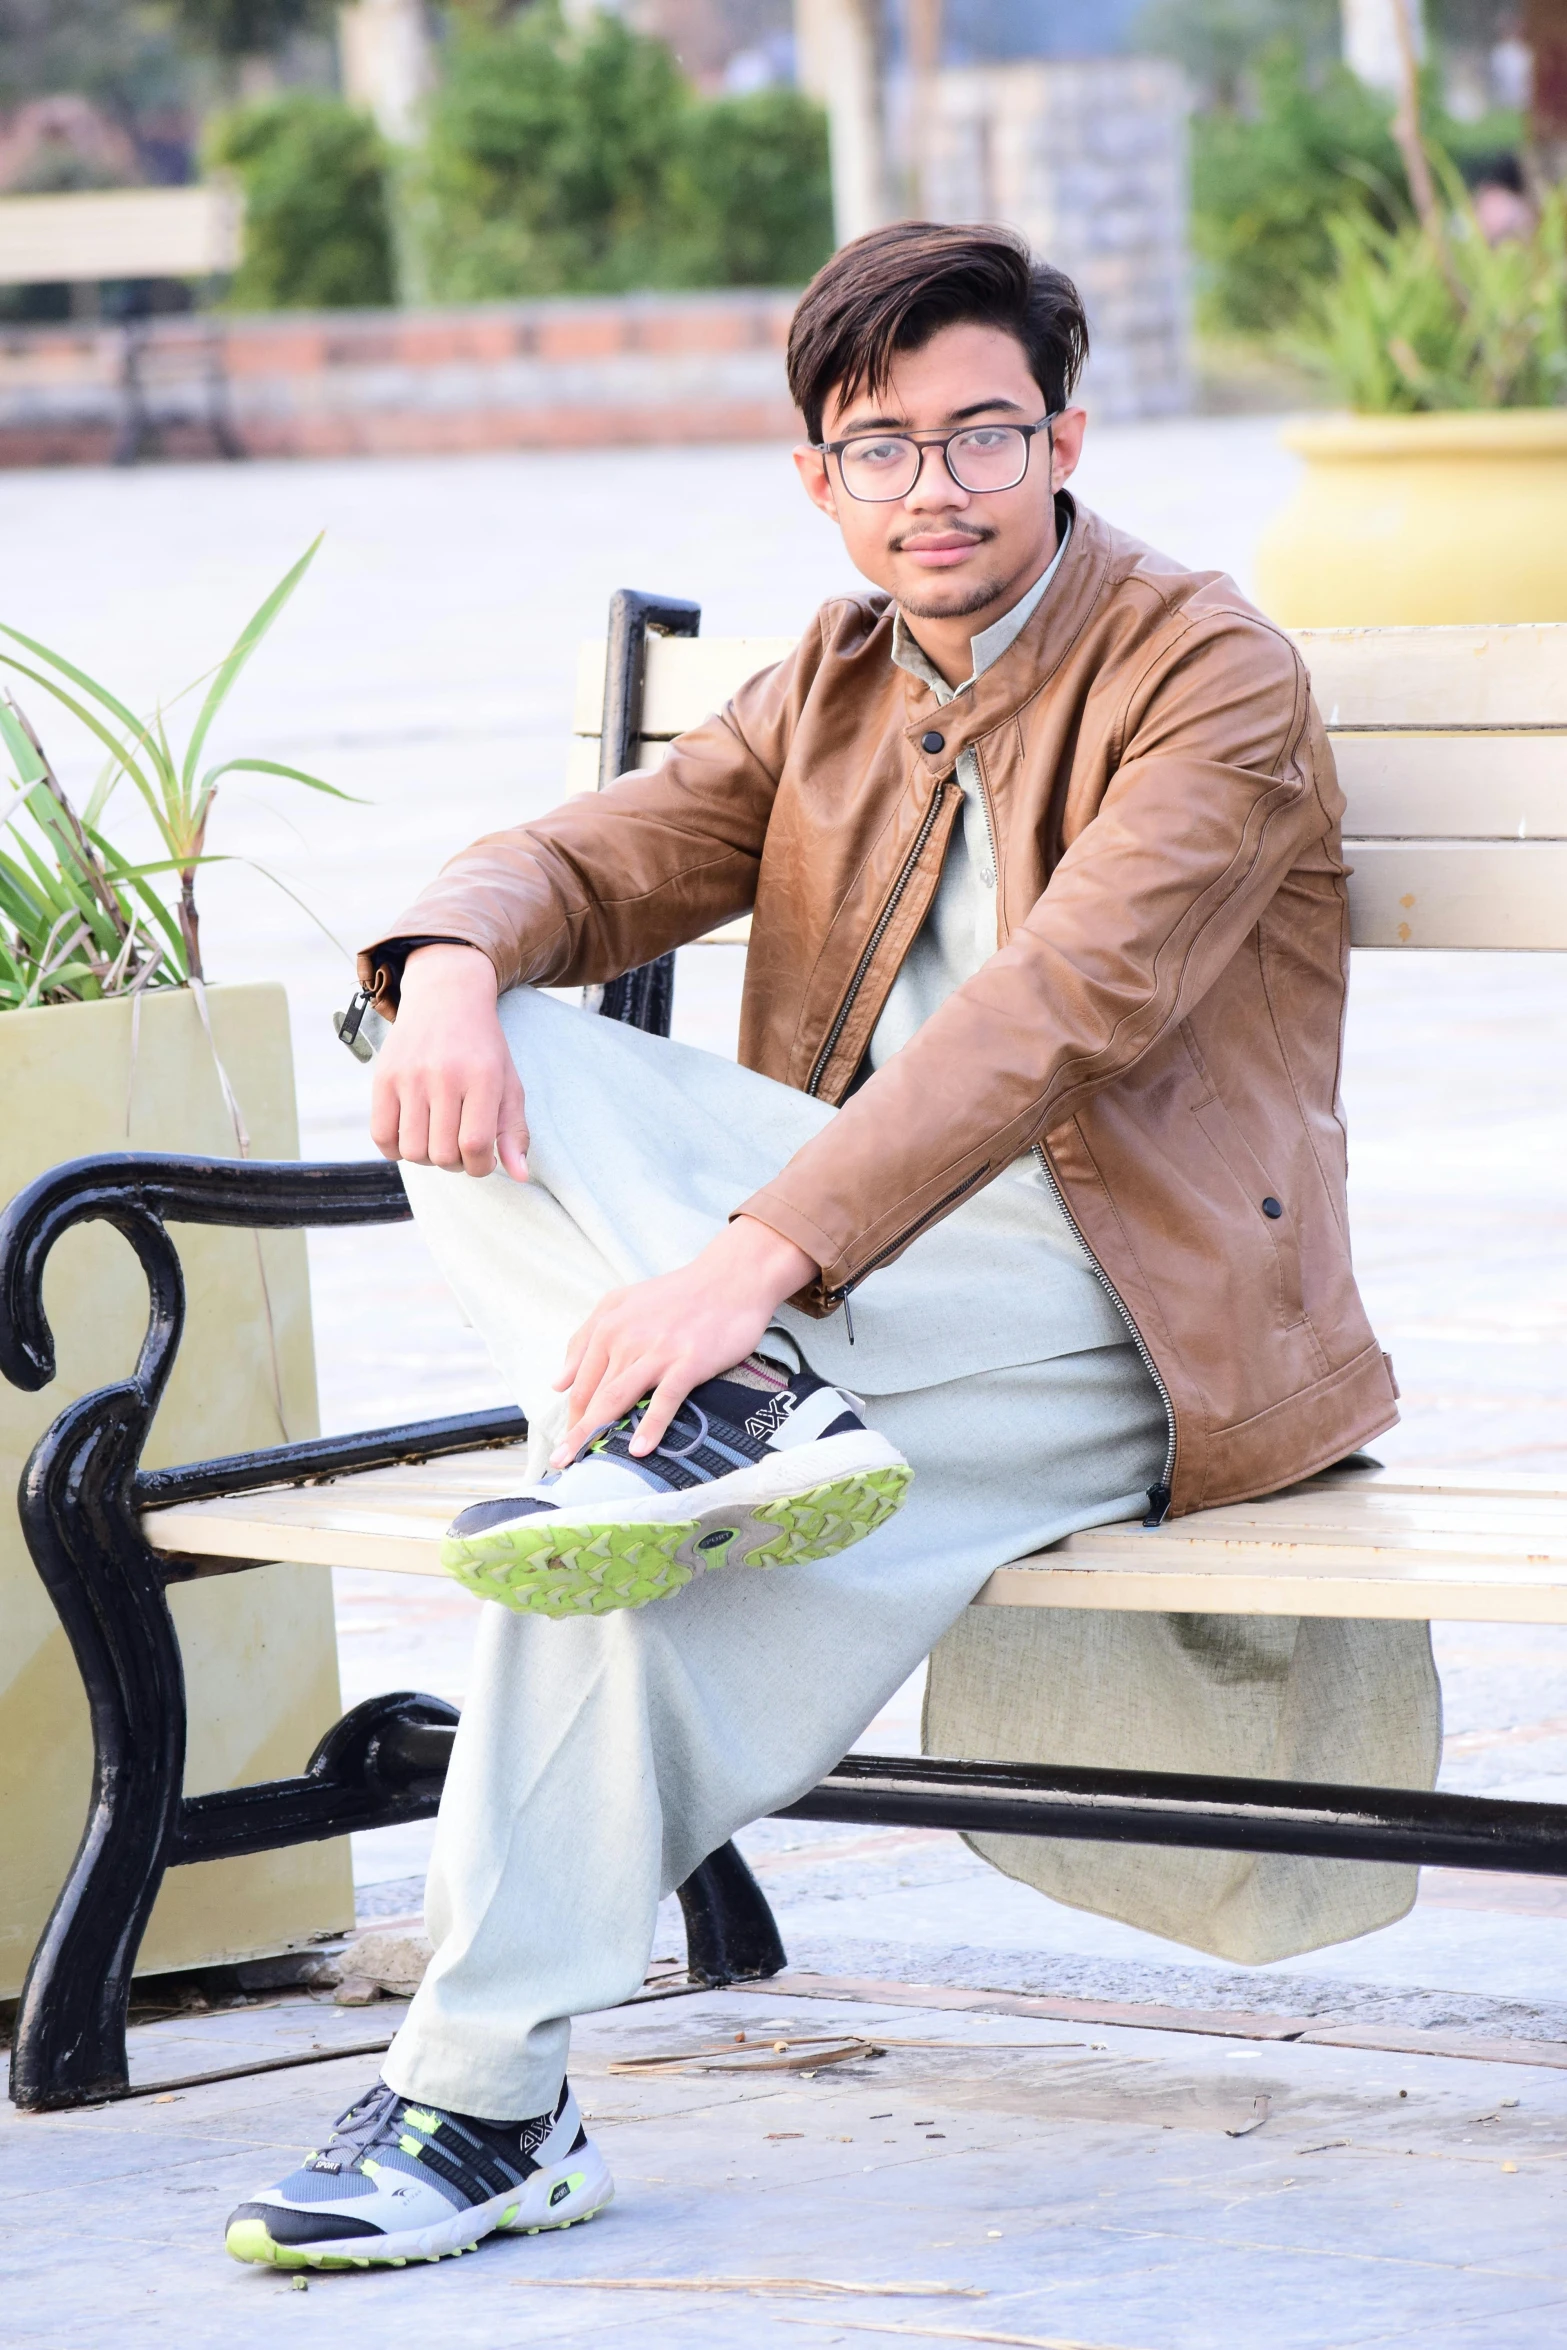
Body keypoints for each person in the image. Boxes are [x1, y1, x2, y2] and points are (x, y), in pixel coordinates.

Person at [225, 221, 1423, 2273]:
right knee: (488, 1044)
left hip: (1133, 1302)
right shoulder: (836, 676)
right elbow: (596, 857)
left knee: (620, 1520)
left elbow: (1055, 1012)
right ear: (818, 476)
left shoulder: (1208, 668)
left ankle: (477, 2094)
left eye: (978, 435)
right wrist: (434, 956)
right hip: (852, 1281)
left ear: (1063, 434)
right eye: (880, 446)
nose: (933, 488)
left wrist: (750, 1270)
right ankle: (723, 1426)